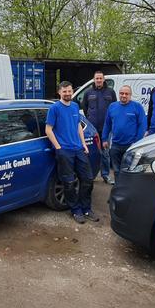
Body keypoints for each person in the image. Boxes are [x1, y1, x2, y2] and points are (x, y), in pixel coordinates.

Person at [45, 81, 97, 224]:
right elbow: (48, 130)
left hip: (78, 149)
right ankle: (76, 210)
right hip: (64, 151)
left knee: (87, 179)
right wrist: (58, 148)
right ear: (59, 92)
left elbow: (78, 126)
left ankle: (86, 208)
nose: (67, 94)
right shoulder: (54, 108)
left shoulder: (75, 106)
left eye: (69, 91)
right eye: (64, 91)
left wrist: (84, 144)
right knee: (68, 182)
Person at [101, 86, 146, 182]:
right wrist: (104, 139)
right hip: (115, 145)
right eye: (122, 93)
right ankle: (118, 187)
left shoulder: (137, 107)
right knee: (116, 170)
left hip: (131, 146)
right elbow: (107, 124)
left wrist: (136, 142)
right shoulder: (112, 106)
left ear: (130, 95)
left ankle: (129, 190)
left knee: (129, 170)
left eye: (126, 94)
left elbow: (142, 126)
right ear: (119, 94)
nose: (124, 95)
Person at [81, 71, 116, 183]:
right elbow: (85, 108)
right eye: (97, 78)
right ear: (94, 79)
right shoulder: (88, 93)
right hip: (92, 130)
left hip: (106, 128)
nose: (99, 80)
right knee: (91, 152)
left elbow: (114, 108)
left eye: (101, 78)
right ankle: (90, 175)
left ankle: (105, 175)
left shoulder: (110, 92)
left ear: (104, 79)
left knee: (105, 152)